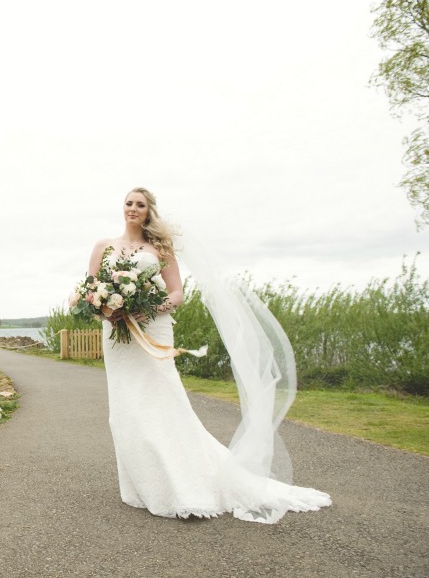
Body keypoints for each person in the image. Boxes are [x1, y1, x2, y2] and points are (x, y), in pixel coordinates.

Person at [89, 188, 331, 524]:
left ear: (149, 212)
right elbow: (92, 290)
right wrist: (108, 308)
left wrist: (150, 309)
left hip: (154, 330)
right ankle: (141, 486)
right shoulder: (104, 246)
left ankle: (181, 483)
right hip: (118, 338)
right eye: (129, 203)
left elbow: (177, 293)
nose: (133, 208)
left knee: (163, 401)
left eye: (140, 205)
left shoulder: (159, 248)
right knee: (125, 410)